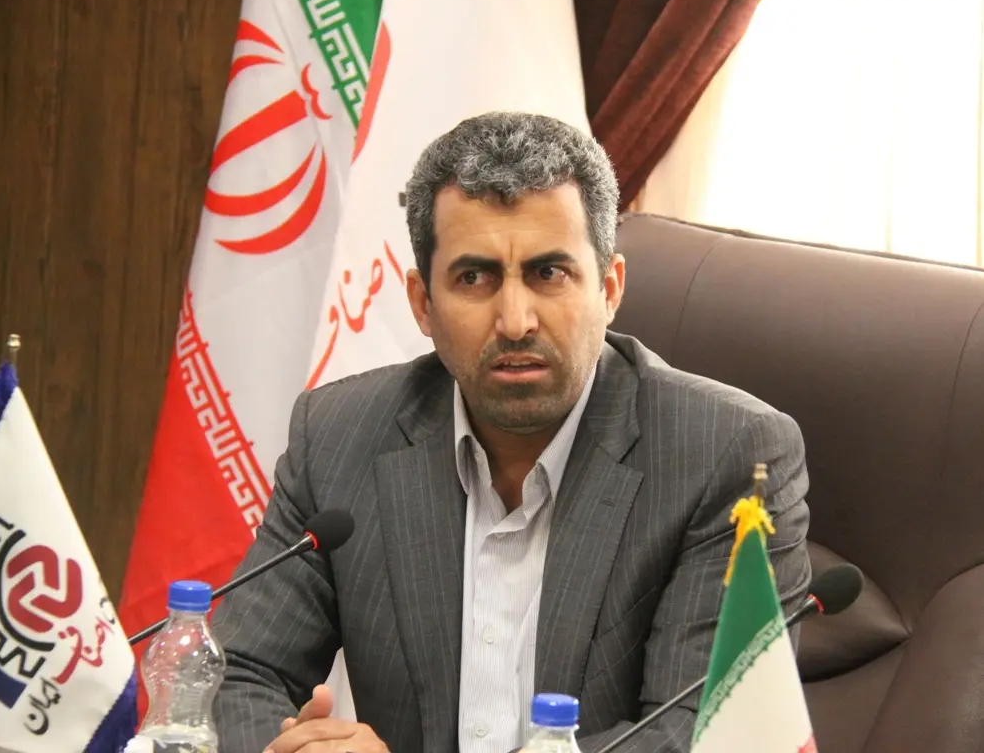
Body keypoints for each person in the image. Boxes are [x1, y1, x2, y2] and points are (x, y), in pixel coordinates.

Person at [211, 111, 811, 753]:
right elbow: (236, 672)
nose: (516, 320)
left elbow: (708, 733)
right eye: (475, 278)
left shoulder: (728, 456)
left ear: (609, 289)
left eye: (549, 273)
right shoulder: (339, 437)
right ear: (422, 304)